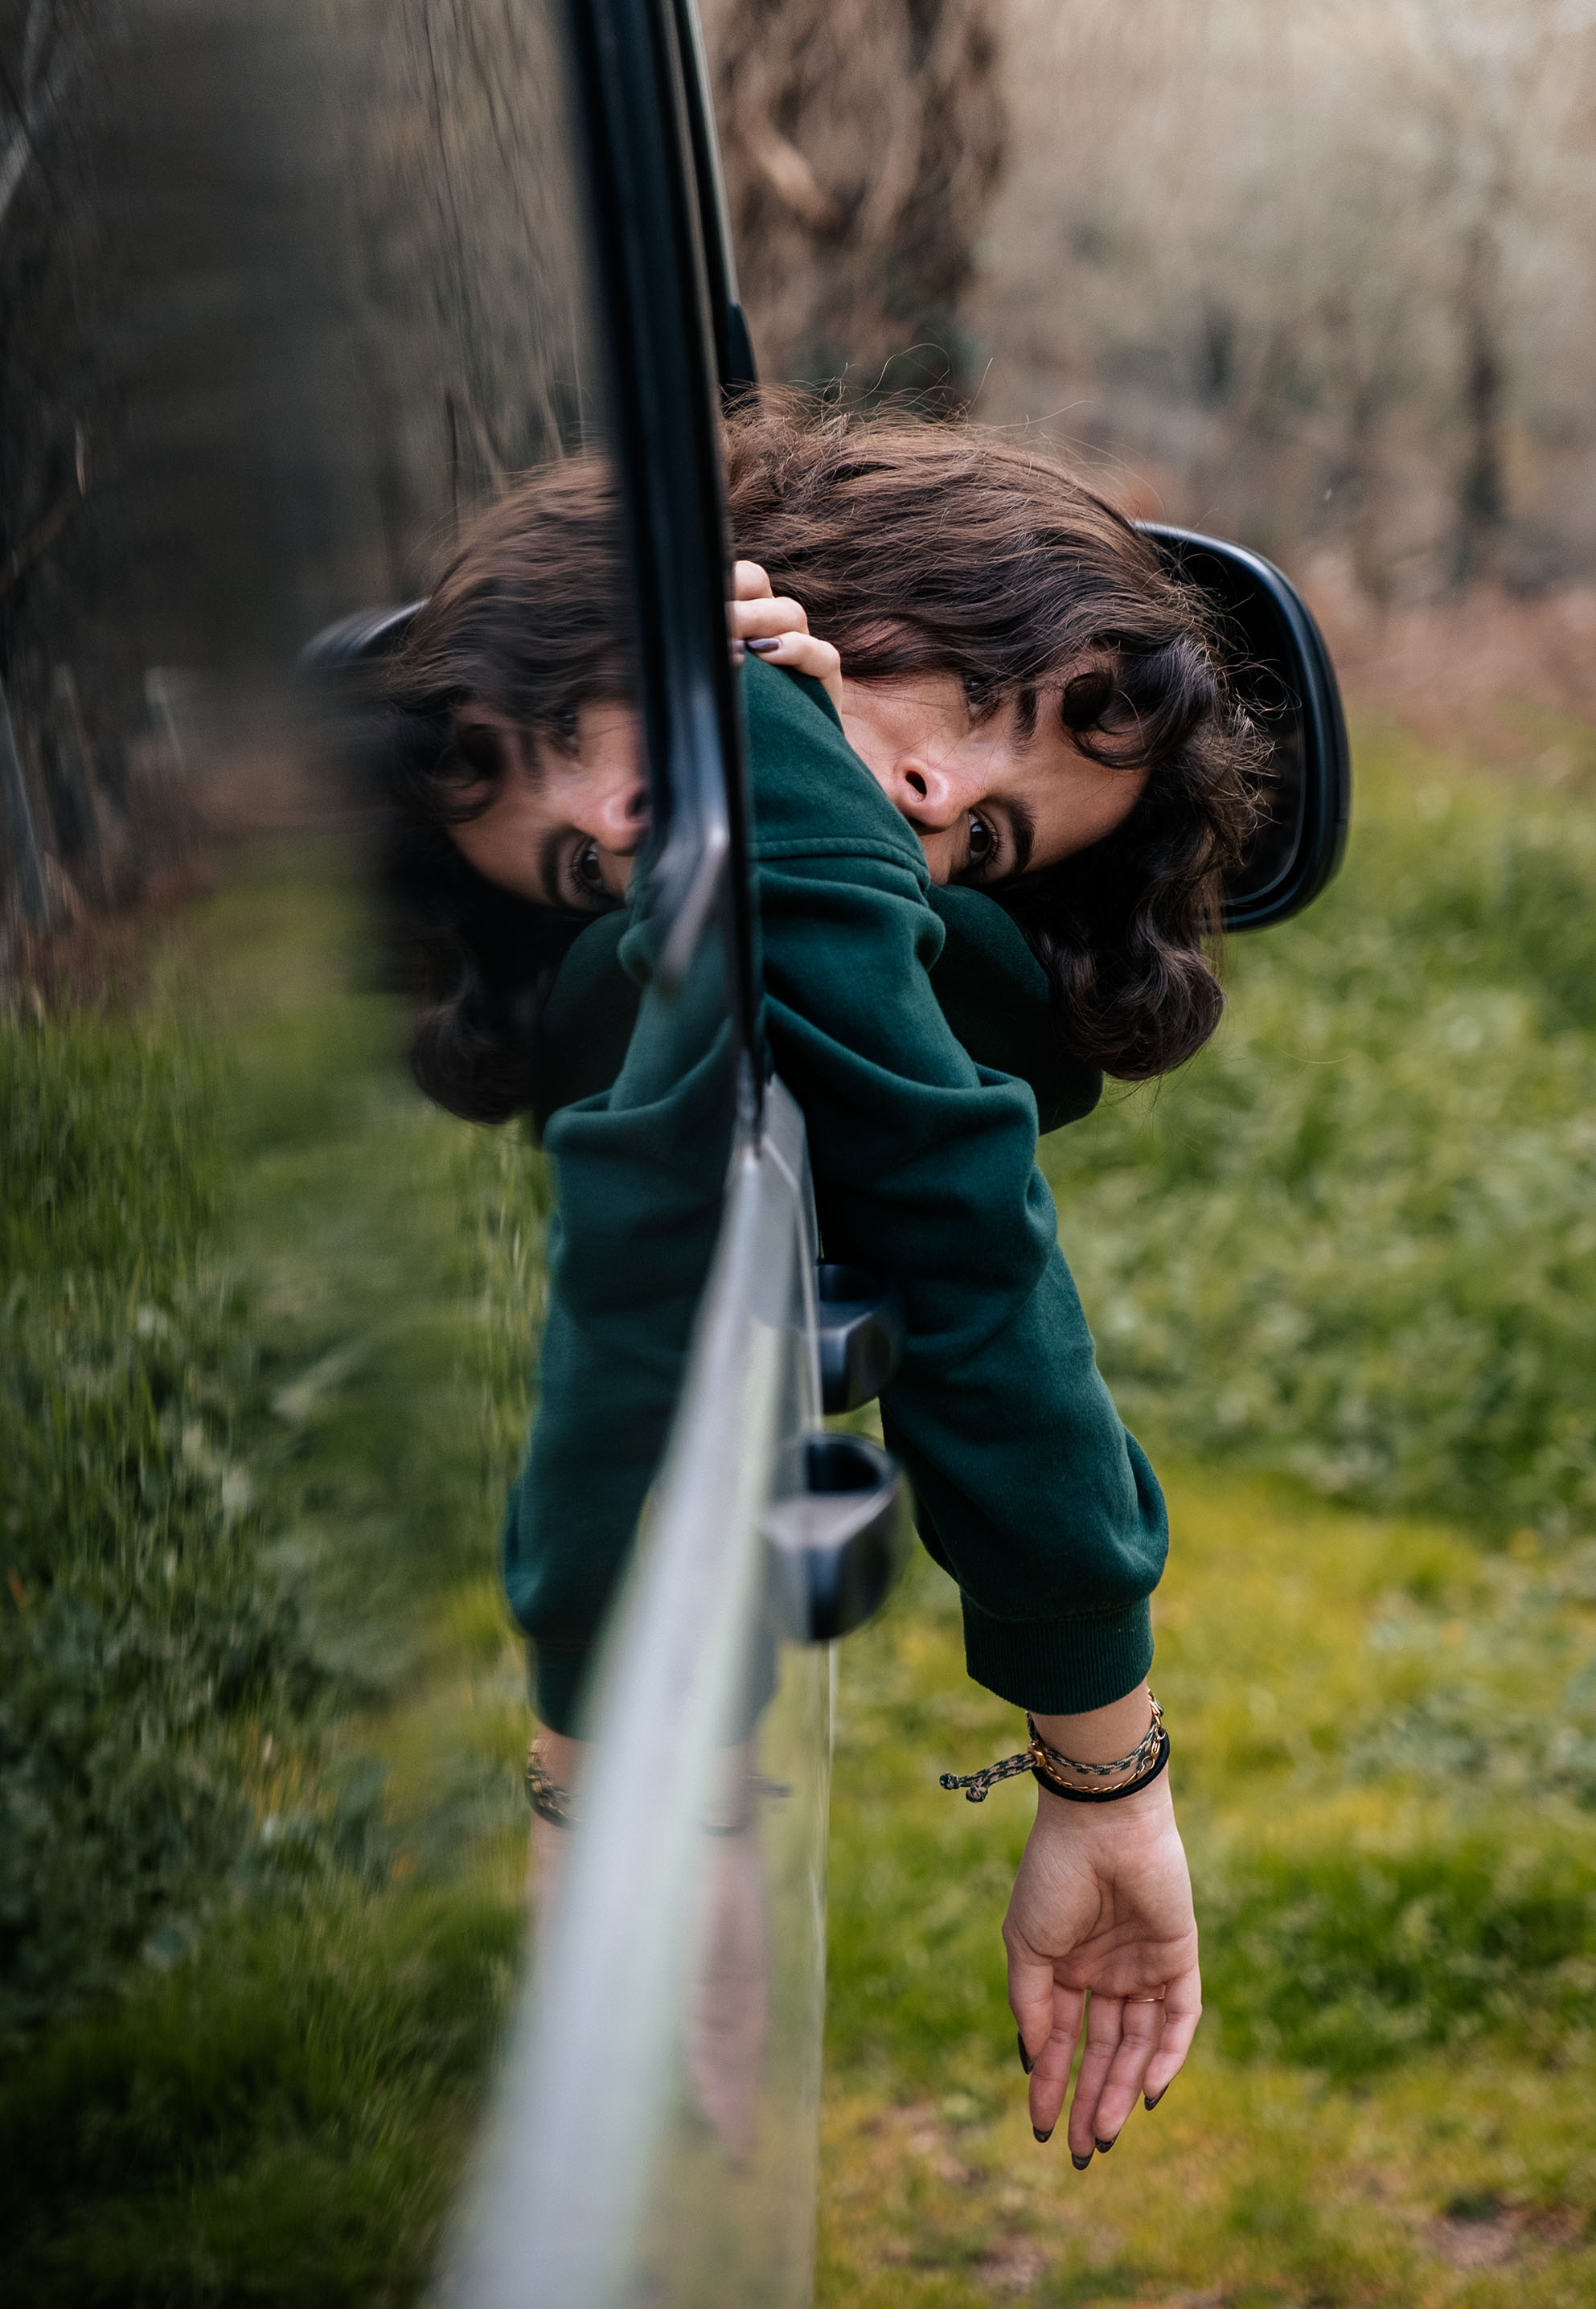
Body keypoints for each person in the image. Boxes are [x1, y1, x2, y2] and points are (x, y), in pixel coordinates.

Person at [369, 400, 1258, 2165]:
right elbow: (935, 1212)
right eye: (582, 867)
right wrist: (1101, 1764)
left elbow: (933, 1193)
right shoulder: (743, 766)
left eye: (987, 842)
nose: (932, 802)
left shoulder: (768, 811)